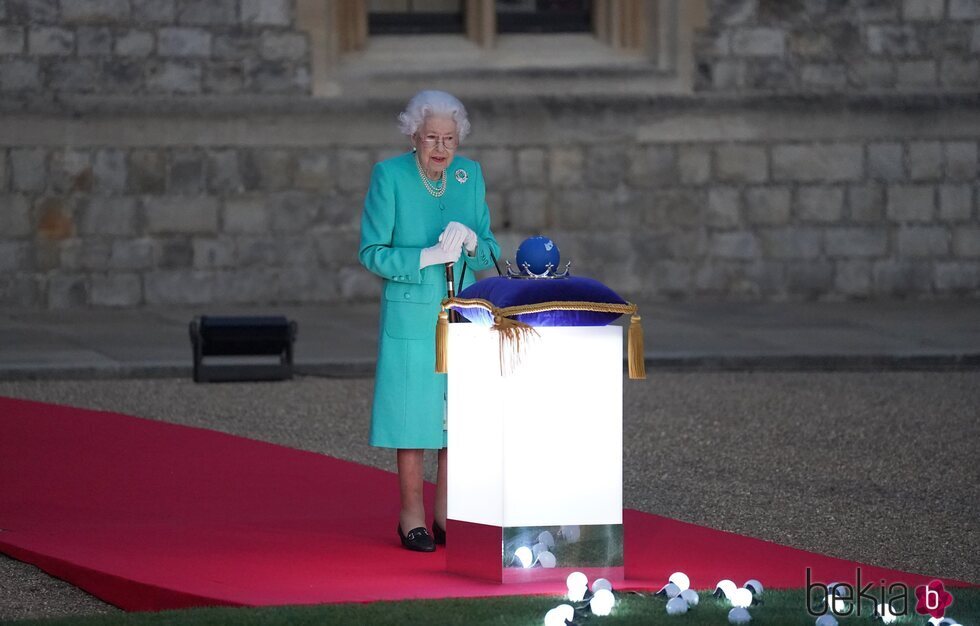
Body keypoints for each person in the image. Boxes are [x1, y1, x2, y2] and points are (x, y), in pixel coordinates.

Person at [358, 90, 501, 552]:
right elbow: (372, 252)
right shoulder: (390, 176)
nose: (441, 148)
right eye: (431, 138)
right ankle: (411, 516)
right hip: (411, 317)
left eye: (450, 139)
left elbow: (492, 253)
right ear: (413, 135)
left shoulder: (469, 176)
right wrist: (426, 256)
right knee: (413, 417)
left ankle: (448, 514)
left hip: (463, 315)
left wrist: (474, 242)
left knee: (455, 419)